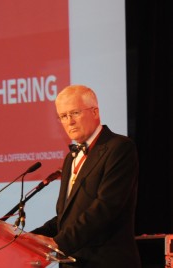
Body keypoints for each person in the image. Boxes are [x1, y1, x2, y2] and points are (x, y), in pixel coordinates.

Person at [30, 85, 141, 267]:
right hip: (73, 263)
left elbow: (105, 207)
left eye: (74, 113)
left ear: (95, 111)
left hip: (107, 261)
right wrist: (30, 238)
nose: (69, 122)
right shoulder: (70, 158)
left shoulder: (119, 147)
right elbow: (66, 217)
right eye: (63, 116)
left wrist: (58, 243)